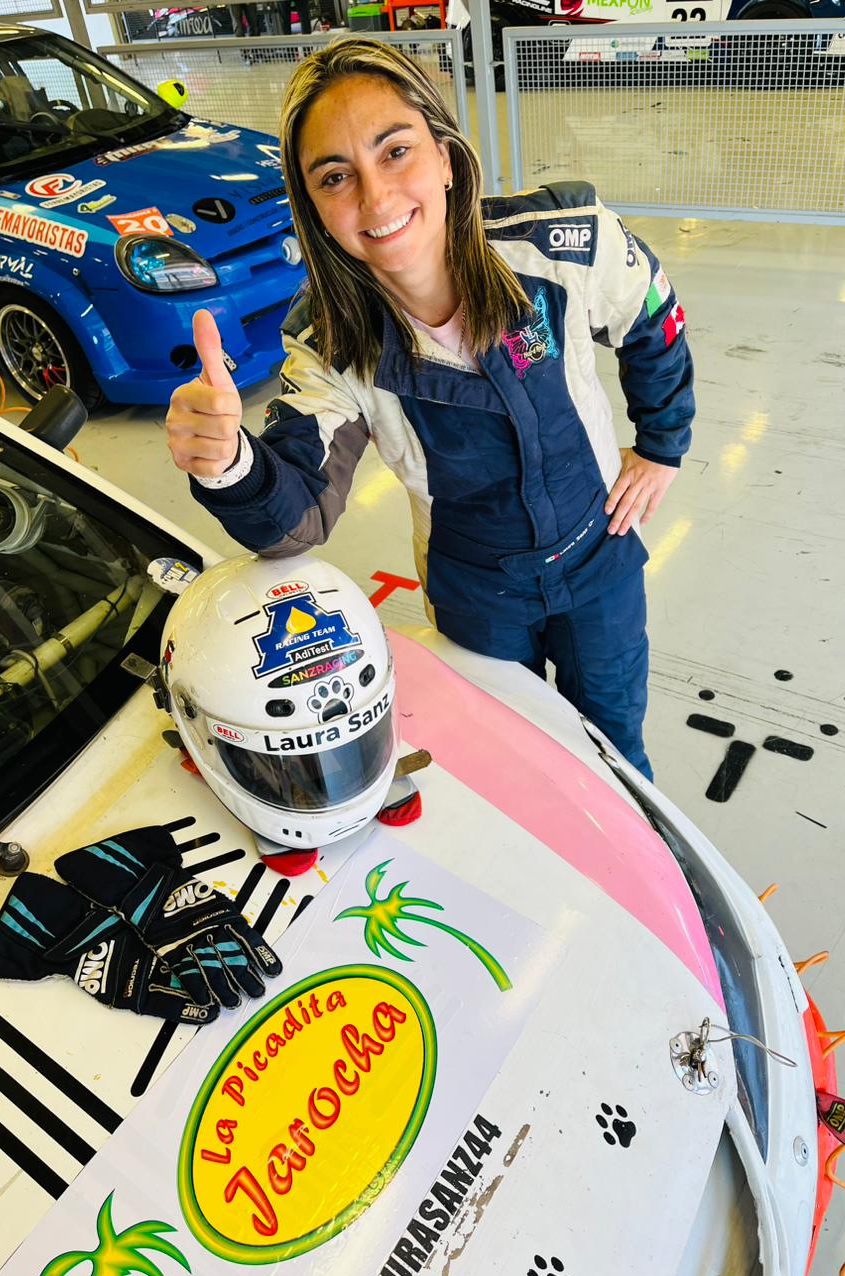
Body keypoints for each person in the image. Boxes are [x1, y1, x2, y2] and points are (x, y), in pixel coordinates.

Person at [165, 39, 694, 782]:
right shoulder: (329, 346)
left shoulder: (565, 243)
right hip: (475, 596)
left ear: (445, 155)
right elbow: (295, 520)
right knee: (509, 764)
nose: (376, 198)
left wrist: (663, 444)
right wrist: (230, 465)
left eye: (396, 151)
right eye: (335, 176)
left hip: (600, 559)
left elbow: (654, 315)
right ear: (314, 209)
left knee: (618, 759)